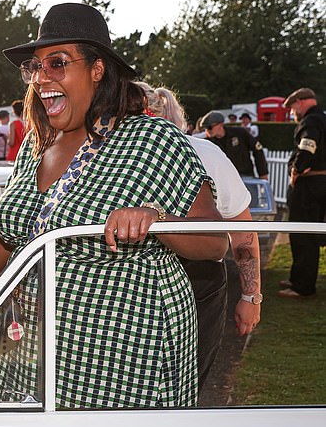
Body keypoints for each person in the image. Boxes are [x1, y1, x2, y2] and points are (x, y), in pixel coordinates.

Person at [0, 3, 227, 409]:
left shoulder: (150, 139)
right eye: (36, 67)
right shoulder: (36, 144)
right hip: (33, 347)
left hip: (124, 356)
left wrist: (157, 220)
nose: (42, 78)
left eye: (57, 63)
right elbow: (13, 231)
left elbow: (216, 242)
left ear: (97, 69)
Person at [137, 82, 262, 386]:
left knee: (185, 381)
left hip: (198, 282)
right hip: (140, 283)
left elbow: (242, 233)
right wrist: (250, 297)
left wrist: (252, 296)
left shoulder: (204, 152)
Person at [279, 87, 326, 299]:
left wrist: (297, 169)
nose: (292, 113)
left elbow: (308, 147)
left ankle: (303, 286)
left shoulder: (311, 122)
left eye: (292, 108)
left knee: (302, 234)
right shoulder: (321, 118)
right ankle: (298, 278)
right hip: (318, 183)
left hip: (309, 185)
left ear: (301, 102)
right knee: (306, 233)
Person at [200, 110, 269, 180]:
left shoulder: (240, 133)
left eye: (209, 127)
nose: (207, 131)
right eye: (205, 129)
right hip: (223, 179)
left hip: (245, 176)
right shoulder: (208, 143)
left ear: (220, 124)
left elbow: (258, 149)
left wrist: (263, 173)